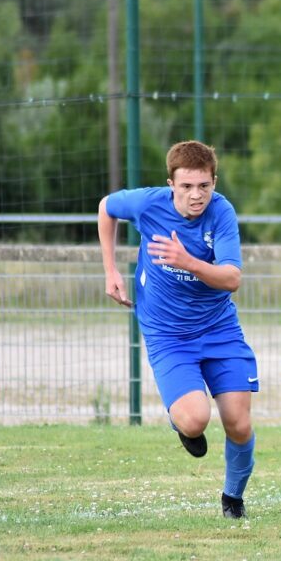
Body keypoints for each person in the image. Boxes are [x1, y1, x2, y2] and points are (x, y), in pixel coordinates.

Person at [98, 140, 258, 519]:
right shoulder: (147, 204)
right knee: (195, 418)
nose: (196, 195)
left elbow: (232, 277)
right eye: (186, 186)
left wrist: (188, 262)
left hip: (219, 329)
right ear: (170, 183)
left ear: (214, 182)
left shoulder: (222, 214)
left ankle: (232, 499)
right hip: (168, 334)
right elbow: (107, 207)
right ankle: (182, 423)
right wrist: (110, 269)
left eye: (204, 186)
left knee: (238, 423)